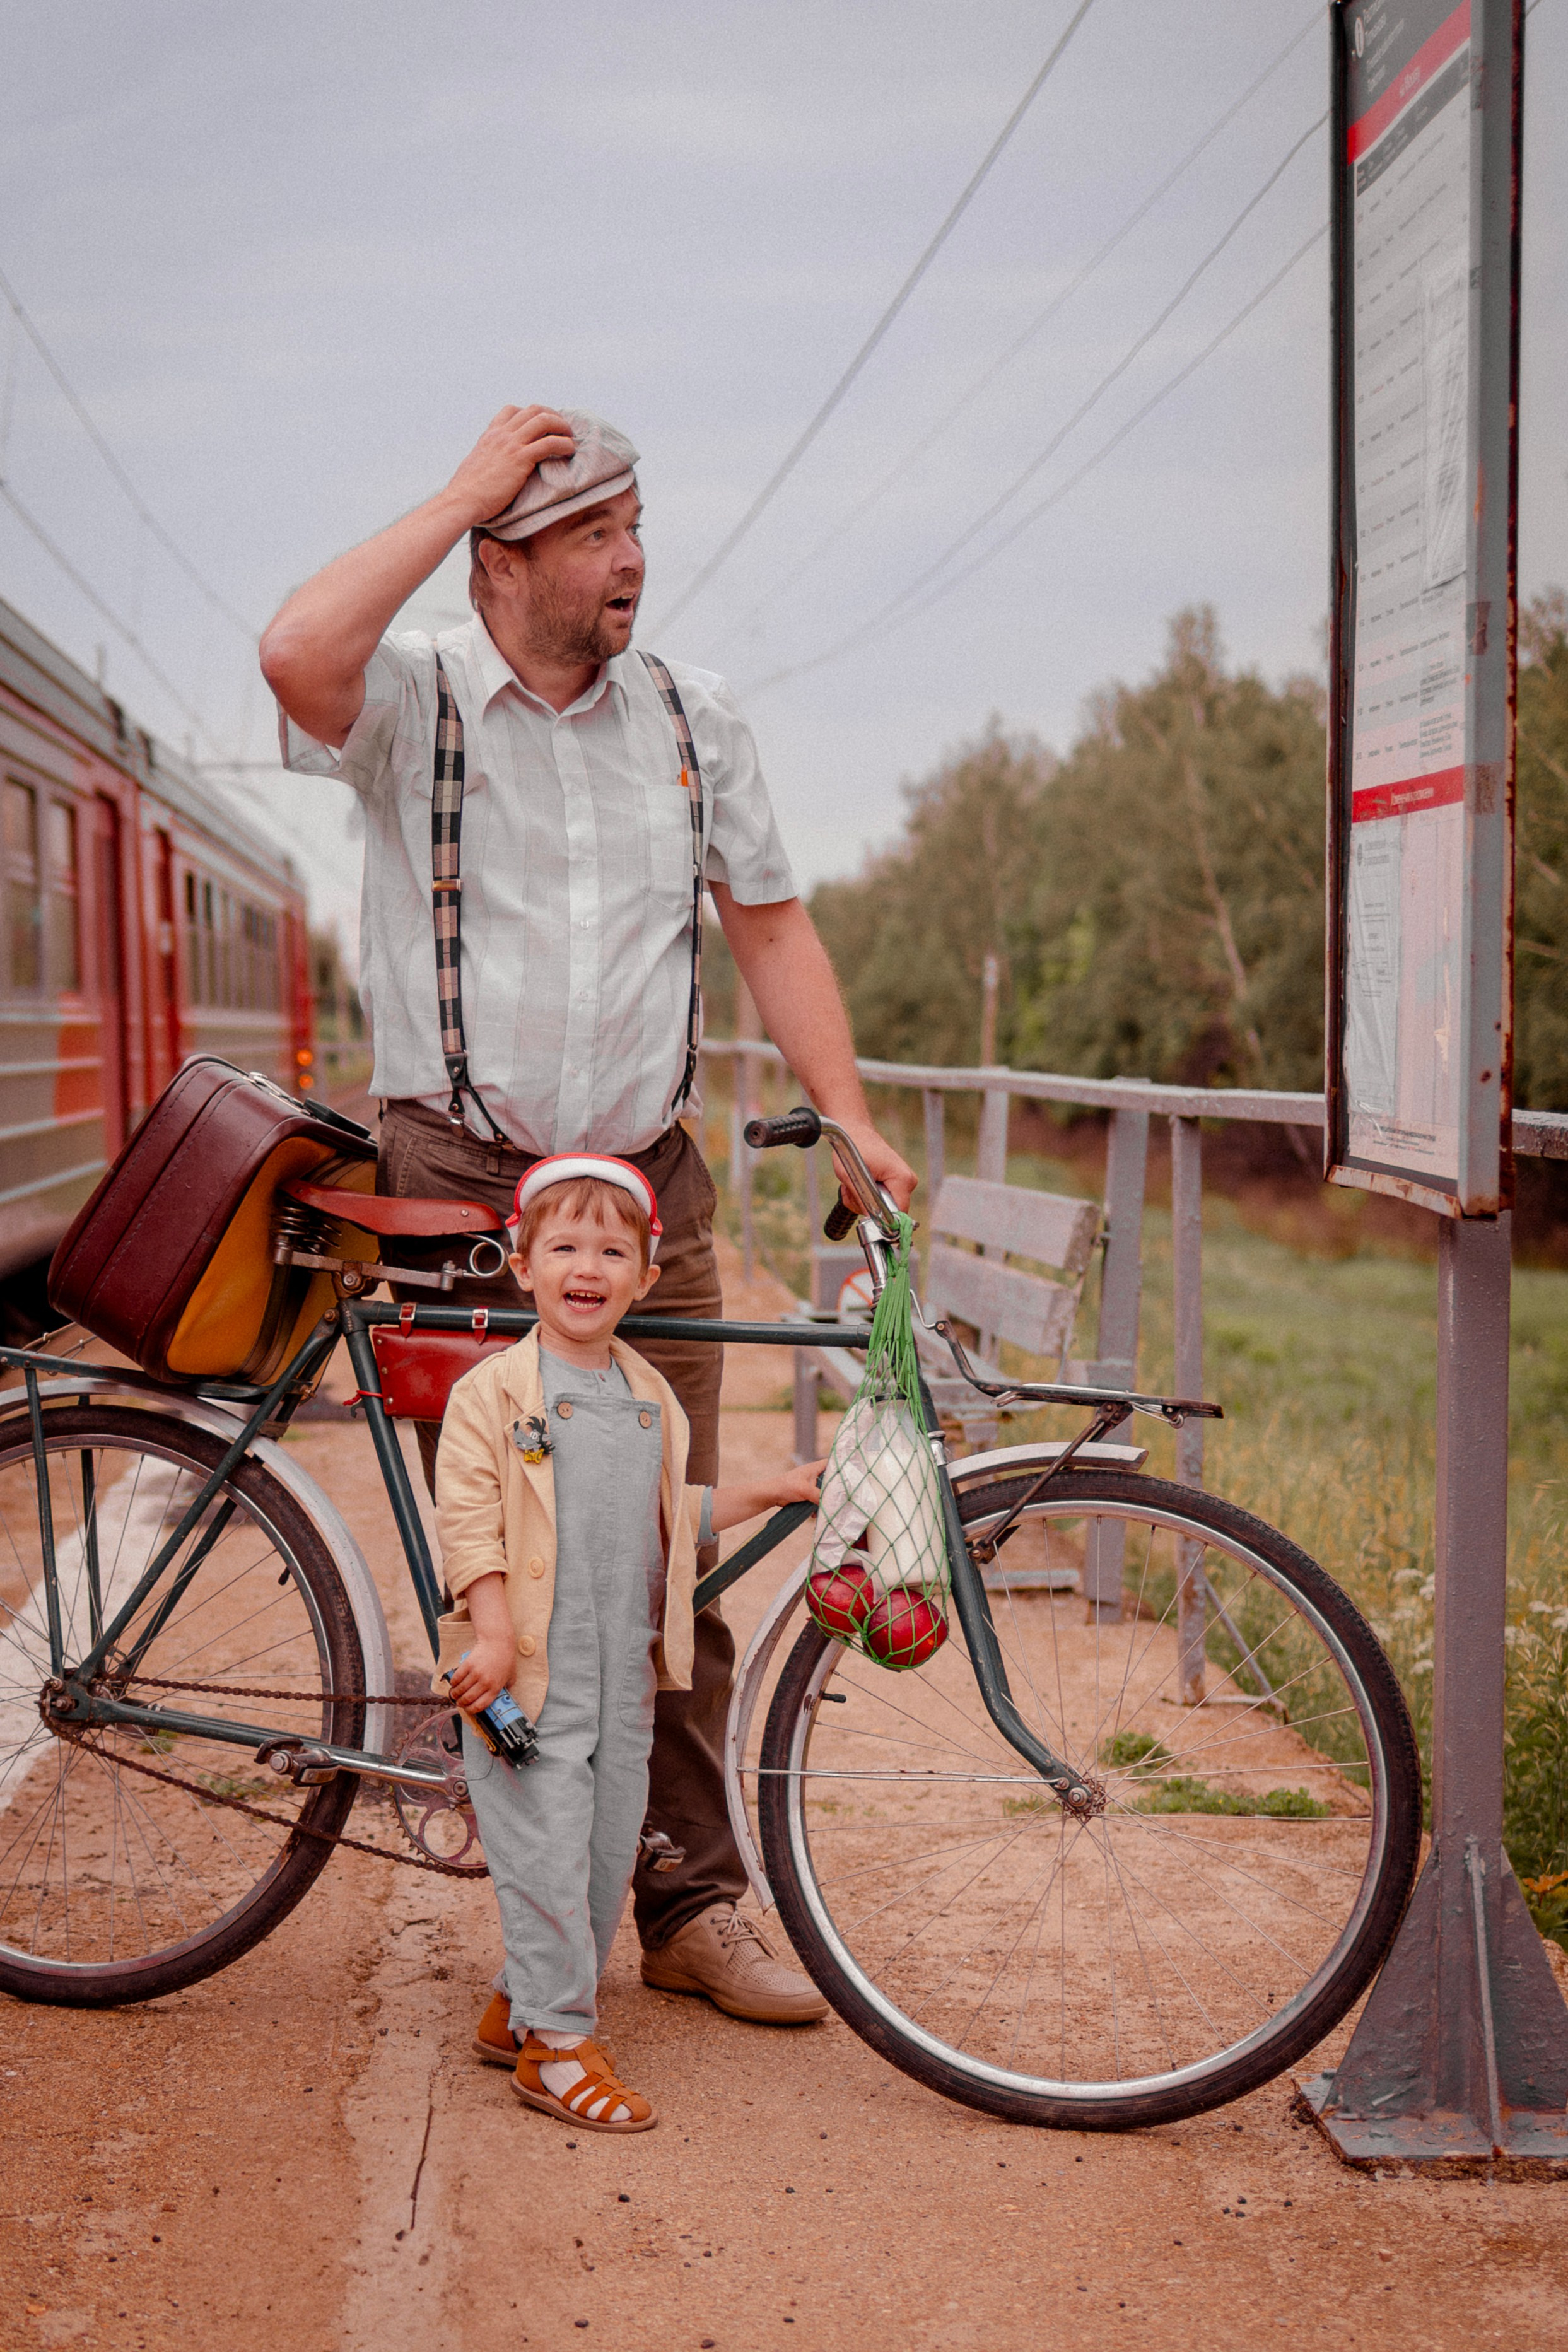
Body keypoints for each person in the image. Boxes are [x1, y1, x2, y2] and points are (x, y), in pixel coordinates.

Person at [260, 402, 915, 2030]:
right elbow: (291, 652)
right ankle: (546, 1925)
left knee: (665, 1553)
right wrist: (461, 491)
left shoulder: (693, 716)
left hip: (646, 1192)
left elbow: (770, 925)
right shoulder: (411, 699)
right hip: (461, 1192)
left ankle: (690, 1904)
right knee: (515, 1566)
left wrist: (844, 1107)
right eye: (593, 533)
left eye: (635, 528)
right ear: (502, 559)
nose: (633, 560)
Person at [438, 1155, 824, 2131]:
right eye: (564, 1246)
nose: (587, 1267)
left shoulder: (649, 1393)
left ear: (646, 1278)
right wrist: (491, 1635)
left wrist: (772, 1489)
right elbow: (472, 1527)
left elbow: (669, 1518)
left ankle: (515, 2007)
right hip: (526, 1679)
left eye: (612, 1252)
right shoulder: (493, 1393)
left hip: (624, 1680)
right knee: (545, 1853)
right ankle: (556, 2047)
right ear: (522, 1266)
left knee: (606, 1852)